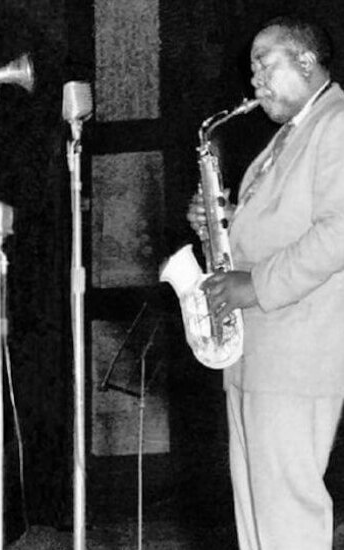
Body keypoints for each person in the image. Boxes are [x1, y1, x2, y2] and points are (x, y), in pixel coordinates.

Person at [187, 15, 344, 550]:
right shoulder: (283, 141)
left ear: (305, 60)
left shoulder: (337, 122)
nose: (253, 80)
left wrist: (251, 287)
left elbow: (339, 233)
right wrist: (217, 222)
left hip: (298, 355)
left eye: (264, 64)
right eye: (252, 68)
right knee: (257, 516)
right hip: (257, 354)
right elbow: (261, 239)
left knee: (287, 515)